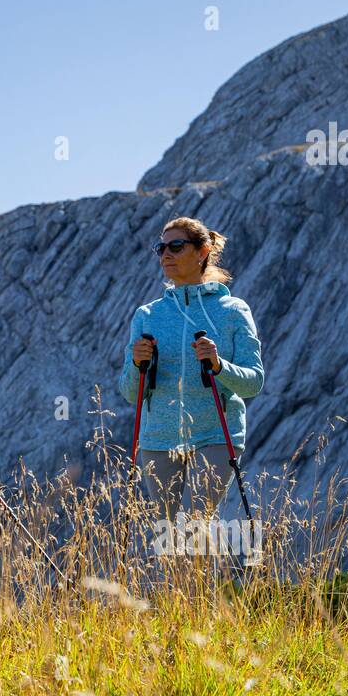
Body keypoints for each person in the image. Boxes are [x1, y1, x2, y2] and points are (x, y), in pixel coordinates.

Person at [118, 217, 264, 527]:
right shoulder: (147, 315)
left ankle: (204, 577)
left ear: (202, 251)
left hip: (215, 434)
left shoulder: (233, 310)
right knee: (168, 535)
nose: (165, 255)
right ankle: (180, 579)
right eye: (161, 248)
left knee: (193, 526)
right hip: (158, 439)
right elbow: (132, 392)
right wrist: (136, 363)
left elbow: (254, 382)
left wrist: (218, 365)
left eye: (176, 246)